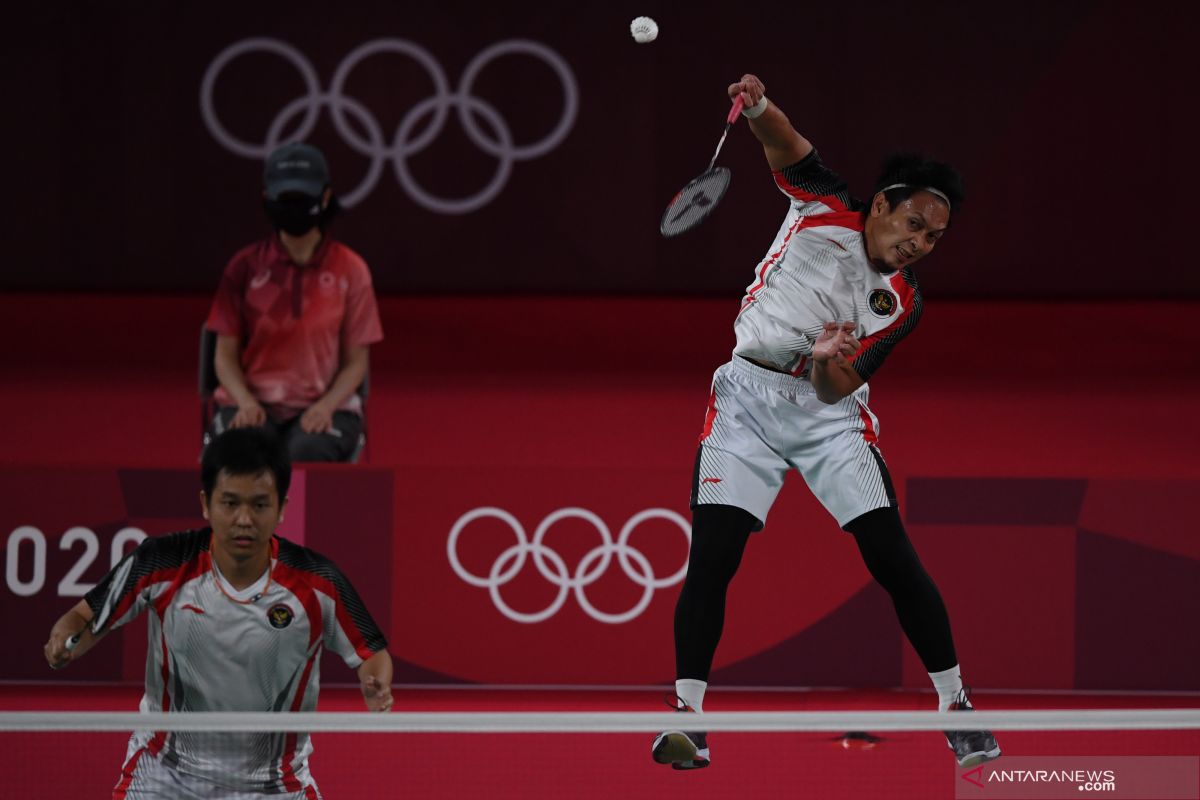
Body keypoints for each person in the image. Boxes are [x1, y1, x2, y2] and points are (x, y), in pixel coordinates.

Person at [651, 74, 1000, 771]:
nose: (921, 244)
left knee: (892, 558)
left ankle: (957, 706)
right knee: (713, 558)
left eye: (934, 237)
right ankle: (688, 719)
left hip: (828, 416)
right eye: (912, 226)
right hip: (746, 400)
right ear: (882, 206)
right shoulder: (826, 203)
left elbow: (841, 385)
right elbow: (784, 145)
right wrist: (759, 105)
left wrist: (821, 361)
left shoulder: (901, 302)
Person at [44, 427, 393, 798]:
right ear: (206, 503)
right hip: (167, 774)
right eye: (230, 503)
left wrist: (376, 685)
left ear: (281, 509)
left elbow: (372, 654)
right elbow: (83, 619)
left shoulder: (319, 581)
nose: (244, 519)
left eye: (259, 505)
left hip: (273, 784)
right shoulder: (161, 561)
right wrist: (64, 643)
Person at [206, 141, 383, 462]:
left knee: (306, 451)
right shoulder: (244, 268)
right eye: (286, 199)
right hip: (251, 405)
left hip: (327, 406)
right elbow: (223, 357)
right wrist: (245, 401)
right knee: (248, 456)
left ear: (325, 197)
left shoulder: (351, 269)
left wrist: (326, 406)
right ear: (267, 199)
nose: (294, 206)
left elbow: (357, 362)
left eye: (302, 199)